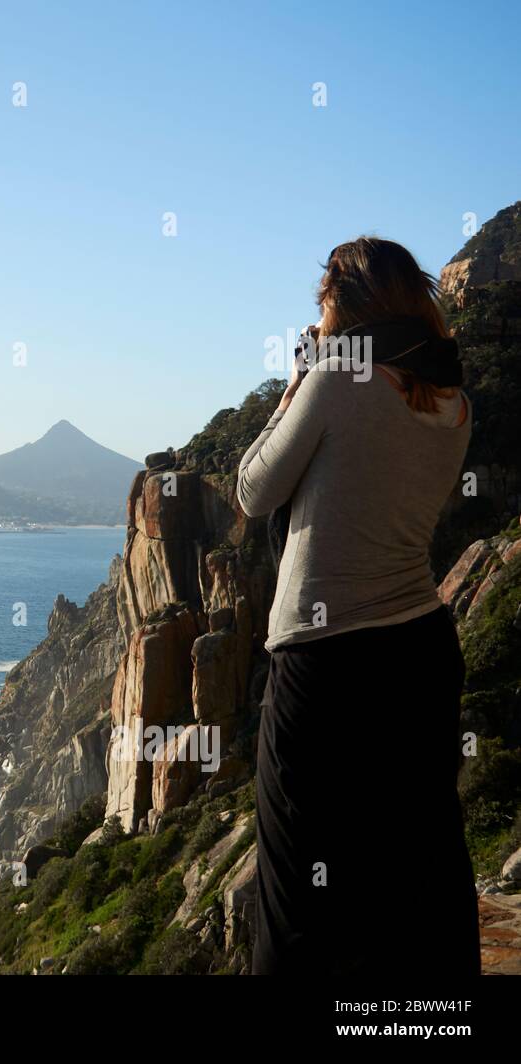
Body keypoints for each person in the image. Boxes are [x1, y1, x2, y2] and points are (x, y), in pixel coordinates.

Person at [236, 237, 479, 975]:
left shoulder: (339, 377)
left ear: (344, 302)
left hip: (326, 664)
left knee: (298, 892)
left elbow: (253, 489)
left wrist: (299, 378)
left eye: (323, 307)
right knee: (419, 876)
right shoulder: (455, 401)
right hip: (419, 654)